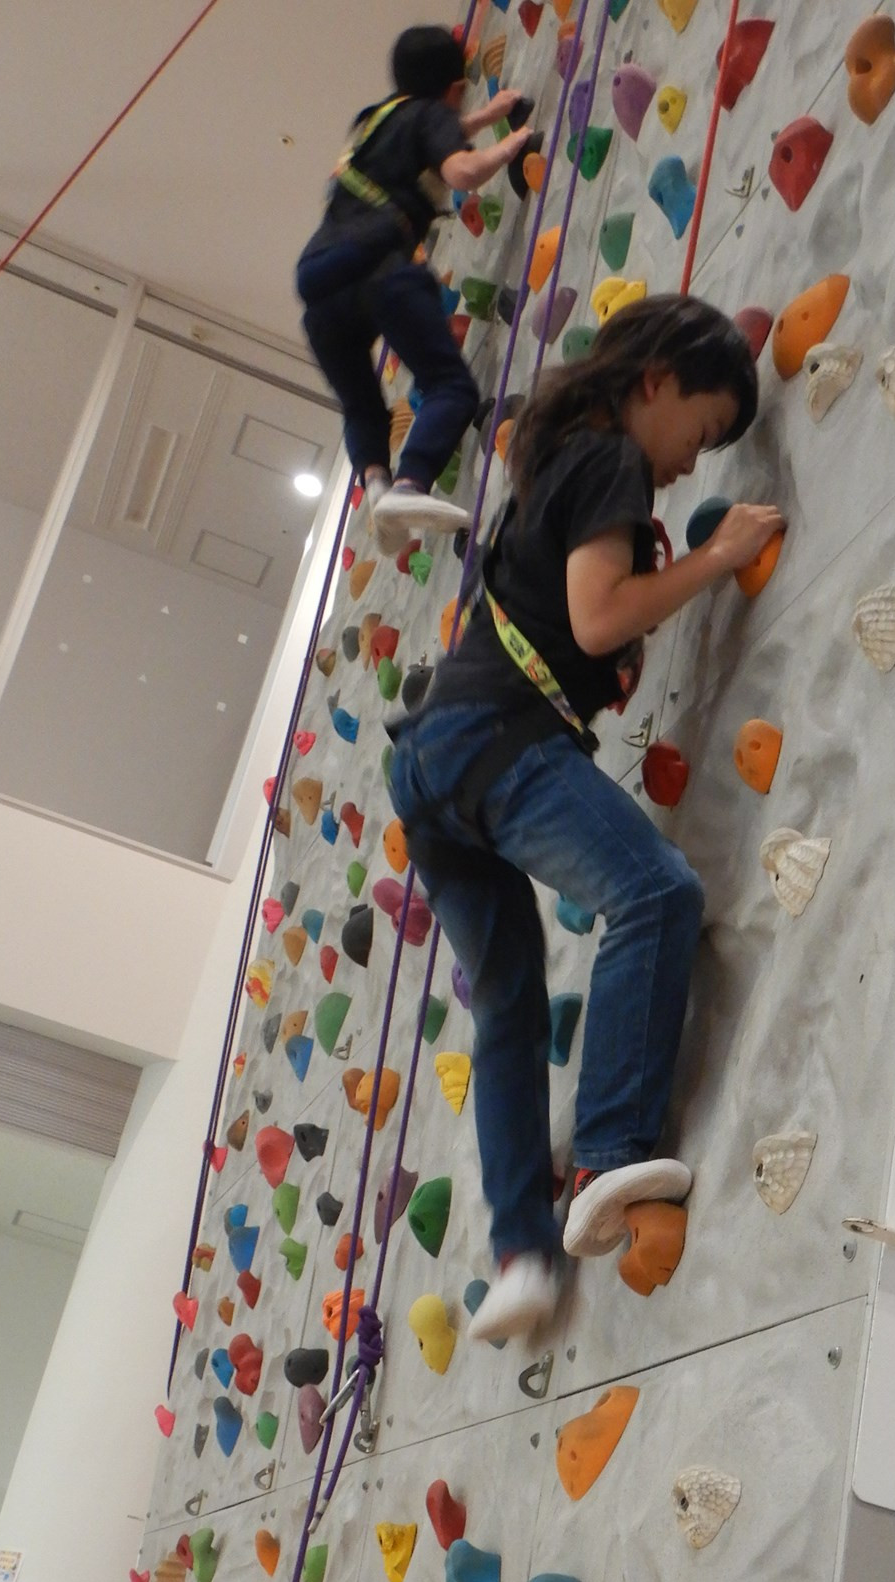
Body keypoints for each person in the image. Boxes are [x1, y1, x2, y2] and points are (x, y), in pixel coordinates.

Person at [389, 295, 786, 1343]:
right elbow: (599, 616)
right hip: (492, 738)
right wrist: (717, 556)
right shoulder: (609, 457)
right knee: (654, 892)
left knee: (511, 1008)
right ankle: (609, 1155)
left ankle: (523, 1257)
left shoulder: (558, 458)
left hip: (431, 764)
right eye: (700, 429)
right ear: (655, 380)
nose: (691, 463)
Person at [297, 26, 537, 555]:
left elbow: (422, 144)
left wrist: (485, 116)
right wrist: (511, 143)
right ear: (454, 88)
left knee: (362, 406)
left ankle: (378, 486)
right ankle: (409, 485)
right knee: (450, 386)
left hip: (318, 285)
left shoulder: (371, 121)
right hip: (378, 268)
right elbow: (462, 170)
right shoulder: (432, 116)